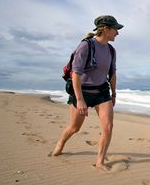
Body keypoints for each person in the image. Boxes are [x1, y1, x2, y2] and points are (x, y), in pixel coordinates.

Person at [52, 15, 123, 171]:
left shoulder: (111, 50)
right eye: (115, 29)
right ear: (106, 29)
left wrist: (114, 94)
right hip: (82, 92)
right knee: (74, 128)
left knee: (108, 127)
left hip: (102, 92)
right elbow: (75, 74)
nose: (117, 33)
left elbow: (112, 74)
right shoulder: (86, 46)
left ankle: (100, 161)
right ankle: (60, 143)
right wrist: (80, 100)